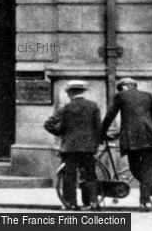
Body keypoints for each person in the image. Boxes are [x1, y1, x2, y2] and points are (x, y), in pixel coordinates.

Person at [101, 77, 152, 212]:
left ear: (126, 86)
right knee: (145, 170)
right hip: (150, 137)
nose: (119, 91)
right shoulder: (147, 96)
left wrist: (102, 132)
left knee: (136, 169)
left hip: (132, 139)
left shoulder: (120, 96)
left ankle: (144, 202)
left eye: (120, 88)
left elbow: (110, 115)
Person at [44, 80, 101, 210]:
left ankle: (71, 203)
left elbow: (52, 125)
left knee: (69, 177)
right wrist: (95, 143)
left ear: (70, 93)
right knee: (90, 175)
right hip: (88, 147)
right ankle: (92, 203)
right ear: (82, 92)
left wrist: (61, 134)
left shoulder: (66, 108)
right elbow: (98, 128)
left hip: (70, 148)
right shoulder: (93, 106)